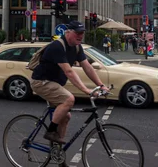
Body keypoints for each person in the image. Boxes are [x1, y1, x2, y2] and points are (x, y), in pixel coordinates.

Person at [30, 21, 108, 159]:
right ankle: (51, 131)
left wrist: (101, 85)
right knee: (69, 99)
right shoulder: (58, 46)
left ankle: (58, 154)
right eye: (77, 32)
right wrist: (87, 90)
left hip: (54, 83)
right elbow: (69, 71)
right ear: (68, 32)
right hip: (41, 82)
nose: (80, 35)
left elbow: (87, 67)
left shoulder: (77, 48)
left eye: (82, 33)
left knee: (66, 116)